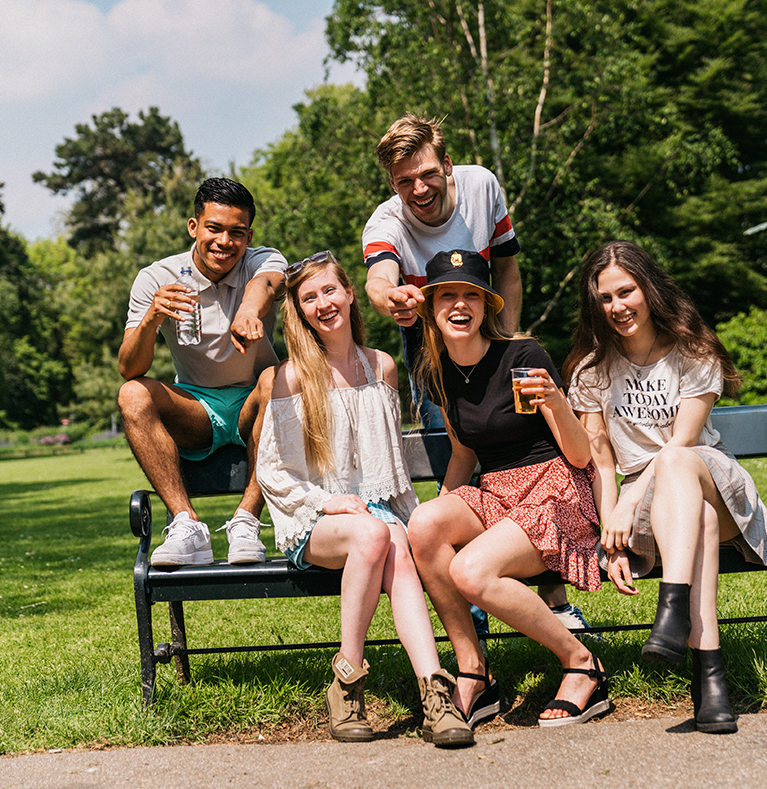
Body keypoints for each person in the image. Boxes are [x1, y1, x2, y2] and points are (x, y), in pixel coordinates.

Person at [362, 113, 587, 633]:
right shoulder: (387, 220)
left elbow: (507, 266)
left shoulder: (483, 186)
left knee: (532, 443)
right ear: (391, 184)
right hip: (431, 343)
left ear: (447, 164)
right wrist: (391, 298)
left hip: (493, 324)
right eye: (403, 181)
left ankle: (552, 595)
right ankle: (474, 593)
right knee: (461, 447)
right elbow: (378, 277)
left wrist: (506, 341)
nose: (418, 189)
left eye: (427, 174)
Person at [564, 241, 767, 734]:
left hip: (711, 478)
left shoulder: (694, 351)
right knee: (699, 521)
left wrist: (628, 499)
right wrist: (611, 534)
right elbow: (603, 464)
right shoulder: (592, 371)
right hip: (660, 510)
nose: (617, 307)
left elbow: (684, 442)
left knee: (675, 460)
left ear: (648, 287)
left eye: (626, 292)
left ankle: (672, 610)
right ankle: (708, 676)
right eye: (606, 299)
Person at [256, 251, 473, 748]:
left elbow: (390, 464)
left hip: (374, 514)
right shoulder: (292, 376)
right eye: (309, 298)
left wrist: (410, 522)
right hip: (315, 521)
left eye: (330, 291)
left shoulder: (383, 367)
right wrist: (328, 503)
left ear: (351, 294)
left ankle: (434, 694)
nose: (322, 304)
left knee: (390, 538)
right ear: (300, 310)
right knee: (373, 533)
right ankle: (347, 681)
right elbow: (272, 470)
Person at [406, 249, 609, 728]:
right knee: (423, 525)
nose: (460, 305)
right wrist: (430, 529)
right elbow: (463, 456)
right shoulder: (437, 373)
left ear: (487, 306)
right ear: (431, 308)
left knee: (472, 572)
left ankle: (582, 664)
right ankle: (475, 672)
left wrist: (557, 403)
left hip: (555, 490)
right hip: (497, 493)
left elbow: (581, 457)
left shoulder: (523, 355)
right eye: (448, 295)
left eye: (471, 295)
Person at [118, 178, 281, 568]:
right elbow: (129, 368)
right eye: (214, 228)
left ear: (249, 235)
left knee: (282, 376)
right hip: (197, 409)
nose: (225, 241)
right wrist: (152, 319)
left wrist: (248, 311)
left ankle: (246, 522)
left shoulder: (263, 260)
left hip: (255, 406)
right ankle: (186, 524)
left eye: (236, 232)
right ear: (194, 227)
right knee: (132, 394)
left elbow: (266, 283)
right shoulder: (157, 277)